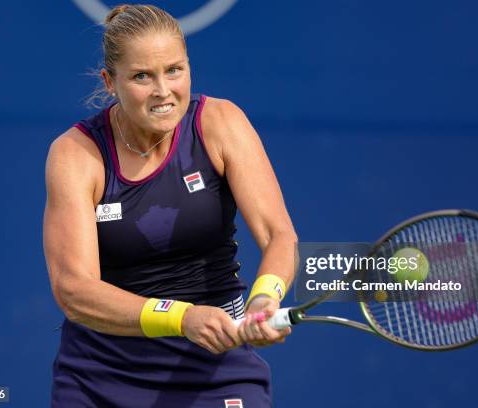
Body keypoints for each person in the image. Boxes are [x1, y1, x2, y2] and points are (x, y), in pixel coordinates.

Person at [43, 4, 297, 407]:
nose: (163, 91)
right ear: (110, 82)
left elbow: (278, 235)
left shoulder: (221, 123)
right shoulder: (76, 154)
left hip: (215, 367)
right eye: (142, 76)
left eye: (174, 70)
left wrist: (266, 296)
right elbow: (74, 290)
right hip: (102, 374)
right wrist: (181, 317)